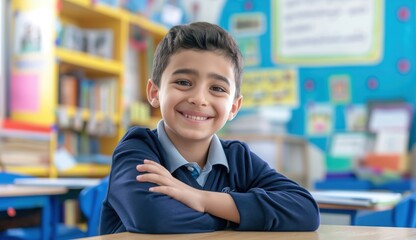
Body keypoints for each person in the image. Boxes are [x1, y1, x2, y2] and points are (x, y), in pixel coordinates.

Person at [100, 22, 320, 234]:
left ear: (234, 107)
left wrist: (201, 199)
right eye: (183, 82)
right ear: (155, 93)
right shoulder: (137, 150)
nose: (199, 99)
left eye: (217, 88)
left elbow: (305, 210)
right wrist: (237, 214)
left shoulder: (237, 158)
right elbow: (156, 218)